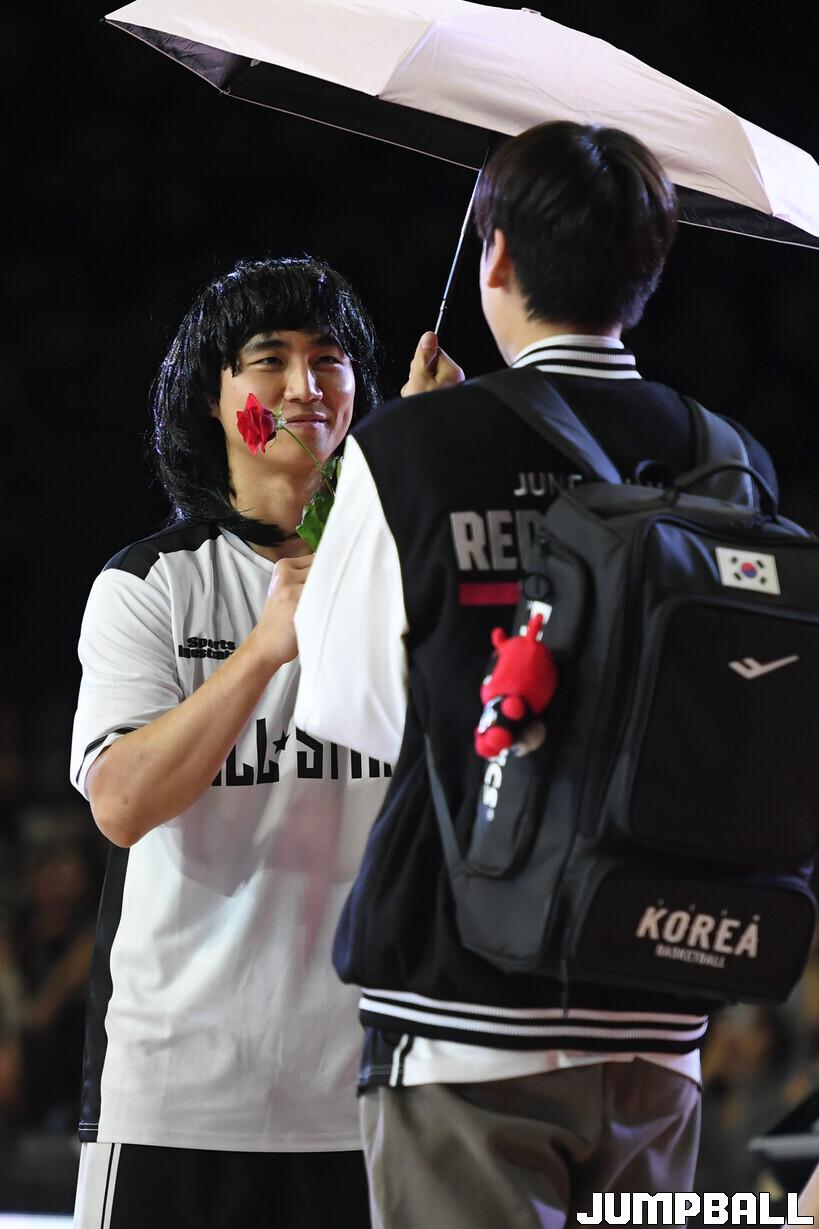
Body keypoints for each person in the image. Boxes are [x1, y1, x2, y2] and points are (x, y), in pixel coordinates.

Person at [294, 122, 780, 1228]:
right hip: (659, 1003)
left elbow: (352, 706)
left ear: (497, 255)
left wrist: (416, 446)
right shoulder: (730, 460)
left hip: (465, 1014)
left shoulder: (409, 450)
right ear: (649, 264)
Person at [69, 257, 393, 1229]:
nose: (305, 386)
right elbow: (121, 802)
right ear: (213, 399)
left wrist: (427, 462)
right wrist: (262, 648)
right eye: (269, 360)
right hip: (176, 1097)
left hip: (364, 1099)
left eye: (329, 359)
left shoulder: (402, 585)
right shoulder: (150, 585)